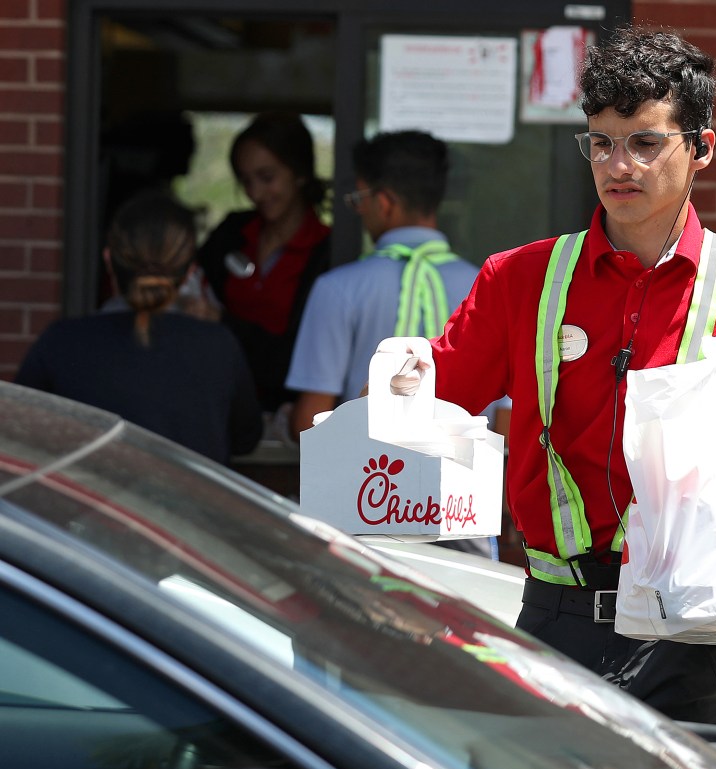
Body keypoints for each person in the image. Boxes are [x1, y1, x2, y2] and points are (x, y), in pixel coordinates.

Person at [388, 26, 716, 724]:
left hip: (687, 620)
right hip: (553, 606)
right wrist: (400, 377)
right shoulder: (520, 278)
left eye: (645, 142)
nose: (618, 163)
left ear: (702, 149)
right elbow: (436, 397)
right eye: (601, 142)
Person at [286, 129, 509, 557]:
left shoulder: (337, 290)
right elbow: (508, 427)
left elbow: (309, 420)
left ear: (383, 201)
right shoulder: (491, 289)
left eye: (359, 200)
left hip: (364, 510)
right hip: (462, 513)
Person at [16, 189, 262, 464]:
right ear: (191, 272)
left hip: (90, 505)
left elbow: (19, 434)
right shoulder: (218, 346)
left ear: (109, 260)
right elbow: (246, 439)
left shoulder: (61, 341)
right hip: (188, 507)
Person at [197, 111, 331, 415]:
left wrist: (220, 323)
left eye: (267, 177)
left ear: (299, 173)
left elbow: (300, 356)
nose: (255, 193)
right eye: (245, 180)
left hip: (285, 414)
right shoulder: (231, 233)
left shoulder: (327, 252)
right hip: (216, 402)